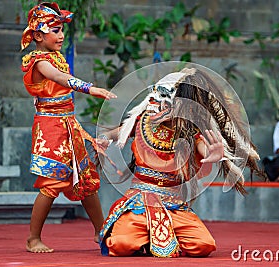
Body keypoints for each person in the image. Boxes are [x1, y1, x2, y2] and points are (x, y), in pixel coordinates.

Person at [97, 67, 266, 257]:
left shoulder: (192, 132)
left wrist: (216, 154)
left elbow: (205, 148)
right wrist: (104, 137)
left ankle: (158, 236)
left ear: (183, 105)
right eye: (156, 98)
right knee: (120, 244)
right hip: (138, 202)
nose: (158, 105)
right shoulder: (142, 121)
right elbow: (119, 131)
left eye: (166, 101)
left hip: (174, 205)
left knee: (203, 246)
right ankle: (145, 235)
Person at [20, 2, 117, 253]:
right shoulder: (39, 61)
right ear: (39, 35)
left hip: (68, 125)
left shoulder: (55, 57)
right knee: (51, 183)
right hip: (51, 128)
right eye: (55, 30)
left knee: (85, 179)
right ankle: (33, 238)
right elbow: (60, 78)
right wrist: (89, 88)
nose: (61, 35)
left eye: (62, 30)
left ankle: (99, 230)